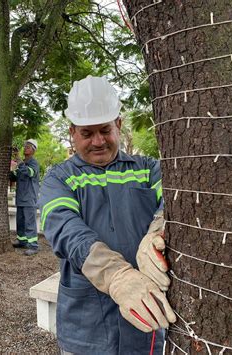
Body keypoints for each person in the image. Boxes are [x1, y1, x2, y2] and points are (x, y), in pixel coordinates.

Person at [38, 75, 176, 354]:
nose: (98, 141)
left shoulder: (149, 169)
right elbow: (66, 230)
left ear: (119, 125)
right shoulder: (58, 178)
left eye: (105, 130)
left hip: (145, 320)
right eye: (87, 134)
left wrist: (158, 231)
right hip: (86, 325)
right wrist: (116, 276)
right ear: (72, 132)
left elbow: (174, 203)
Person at [10, 140, 40, 256]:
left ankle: (33, 246)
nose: (25, 148)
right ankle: (22, 241)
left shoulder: (33, 163)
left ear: (33, 150)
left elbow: (28, 172)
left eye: (28, 147)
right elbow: (14, 176)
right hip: (21, 198)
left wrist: (18, 159)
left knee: (29, 223)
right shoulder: (22, 163)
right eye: (25, 146)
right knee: (21, 221)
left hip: (29, 198)